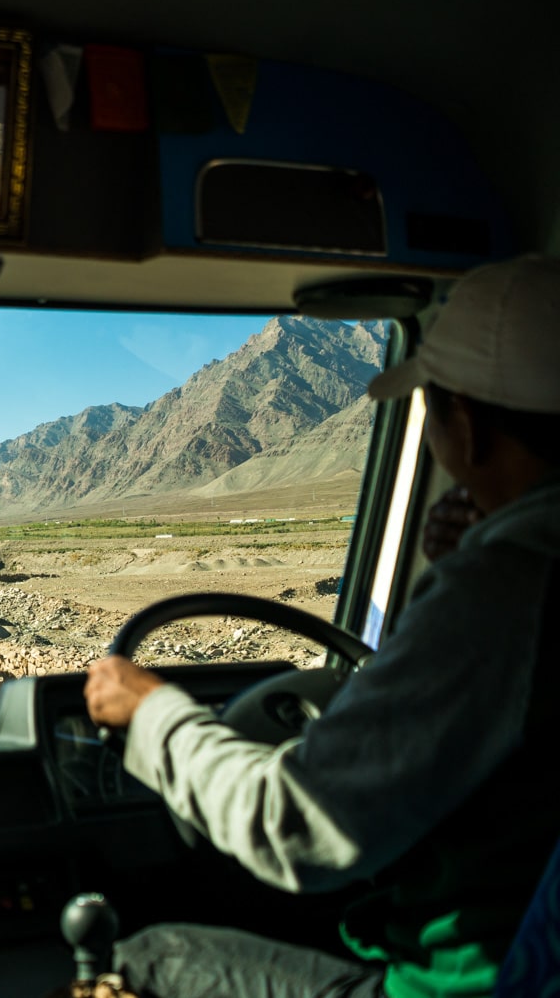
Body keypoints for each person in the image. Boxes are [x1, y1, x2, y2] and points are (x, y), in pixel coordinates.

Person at [83, 253, 560, 998]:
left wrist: (153, 716)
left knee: (141, 959)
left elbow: (298, 824)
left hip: (470, 984)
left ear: (463, 425)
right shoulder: (511, 564)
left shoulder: (507, 585)